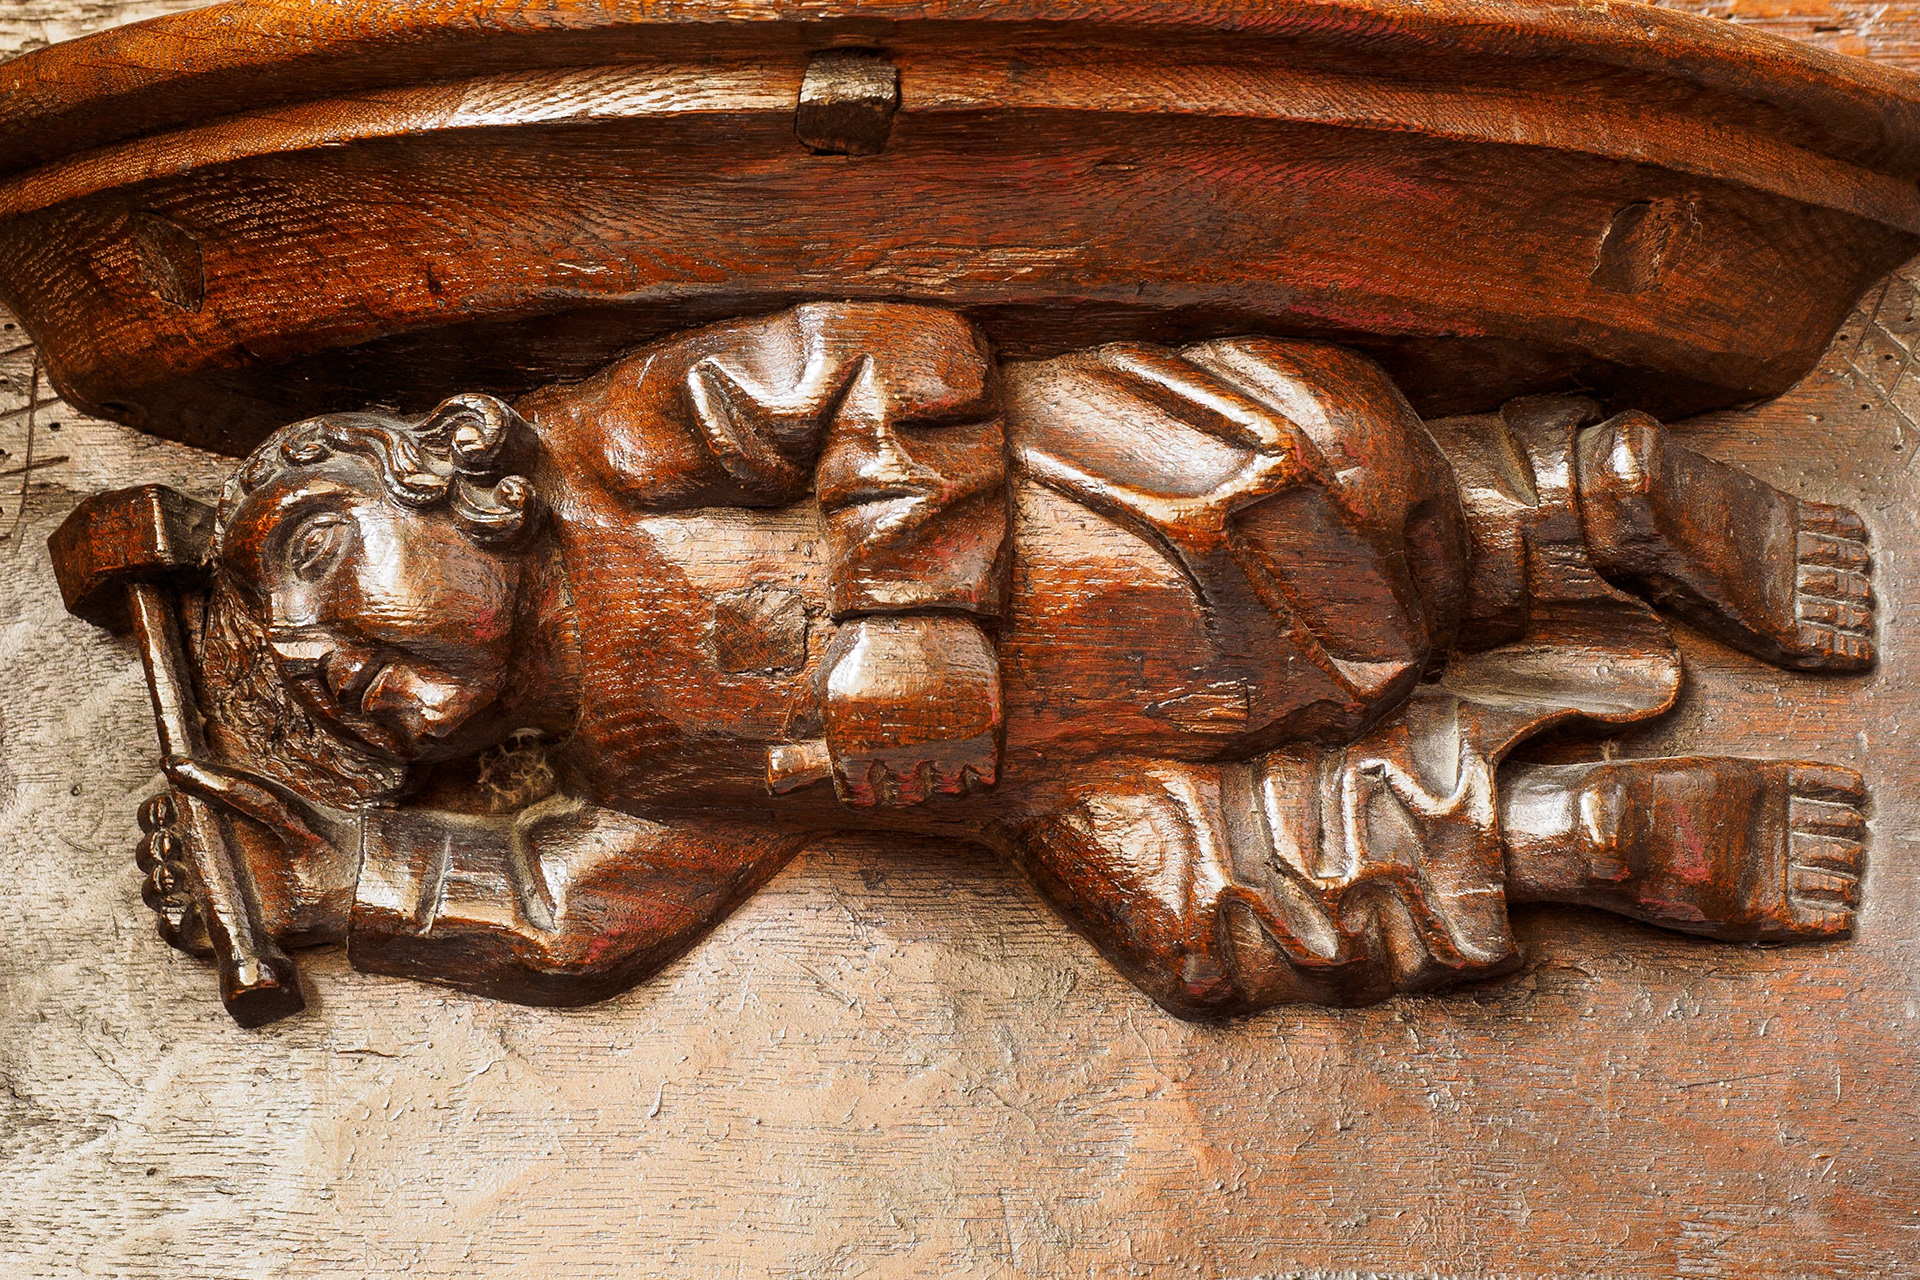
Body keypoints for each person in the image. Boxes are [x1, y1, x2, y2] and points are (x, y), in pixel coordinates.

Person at [141, 302, 1871, 1016]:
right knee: (1194, 917)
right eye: (285, 666)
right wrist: (342, 883)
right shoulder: (632, 766)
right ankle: (1582, 834)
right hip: (1087, 766)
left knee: (1380, 509)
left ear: (457, 464)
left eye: (315, 558)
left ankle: (1601, 502)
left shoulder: (617, 452)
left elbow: (884, 349)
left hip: (1129, 502)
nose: (308, 647)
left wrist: (909, 612)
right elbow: (583, 909)